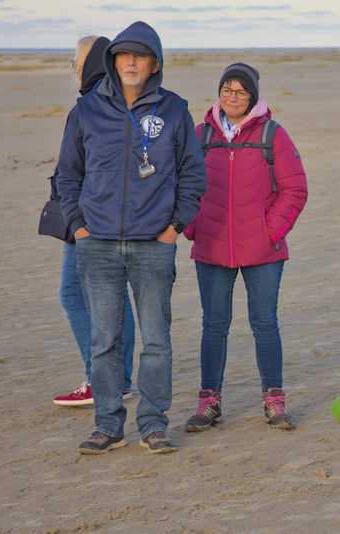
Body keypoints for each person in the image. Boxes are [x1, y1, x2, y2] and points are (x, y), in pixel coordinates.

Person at [56, 21, 207, 454]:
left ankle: (154, 425)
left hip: (152, 246)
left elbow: (193, 175)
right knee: (104, 341)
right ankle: (108, 425)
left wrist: (173, 229)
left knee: (156, 341)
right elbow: (68, 174)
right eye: (124, 55)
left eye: (141, 56)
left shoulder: (174, 110)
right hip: (97, 244)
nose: (132, 62)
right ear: (113, 61)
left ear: (155, 64)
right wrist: (80, 227)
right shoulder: (86, 111)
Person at [182, 63, 308, 432]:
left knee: (264, 323)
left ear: (252, 97)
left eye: (240, 91)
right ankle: (209, 402)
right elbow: (182, 183)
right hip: (212, 245)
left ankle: (274, 401)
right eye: (227, 90)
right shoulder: (201, 134)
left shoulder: (273, 134)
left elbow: (295, 189)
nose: (232, 97)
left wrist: (270, 231)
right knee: (213, 325)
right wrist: (193, 226)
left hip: (263, 251)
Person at [51, 35, 136, 408]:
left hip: (90, 219)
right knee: (116, 298)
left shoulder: (90, 105)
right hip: (111, 217)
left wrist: (77, 222)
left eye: (77, 59)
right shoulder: (120, 98)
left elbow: (76, 169)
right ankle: (120, 379)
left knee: (73, 294)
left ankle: (102, 380)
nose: (74, 66)